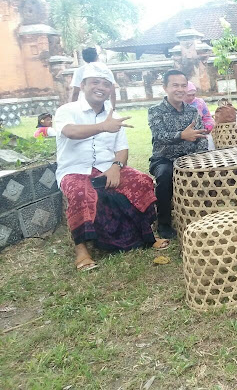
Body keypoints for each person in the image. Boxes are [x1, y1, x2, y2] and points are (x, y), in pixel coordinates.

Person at [55, 64, 168, 271]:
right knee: (80, 193)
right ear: (83, 85)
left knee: (142, 181)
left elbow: (122, 150)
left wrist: (116, 166)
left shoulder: (113, 115)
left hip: (108, 167)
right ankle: (82, 251)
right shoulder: (67, 110)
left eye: (106, 84)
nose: (101, 87)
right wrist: (101, 127)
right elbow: (70, 132)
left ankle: (147, 236)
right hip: (75, 170)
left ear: (110, 89)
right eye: (95, 82)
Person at [148, 70, 209, 239]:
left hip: (190, 158)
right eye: (175, 85)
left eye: (183, 85)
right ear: (165, 87)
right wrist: (182, 135)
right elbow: (159, 135)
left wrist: (201, 157)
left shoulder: (192, 111)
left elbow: (201, 136)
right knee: (165, 175)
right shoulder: (155, 111)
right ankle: (164, 223)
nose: (180, 89)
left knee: (209, 173)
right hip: (164, 158)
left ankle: (205, 216)